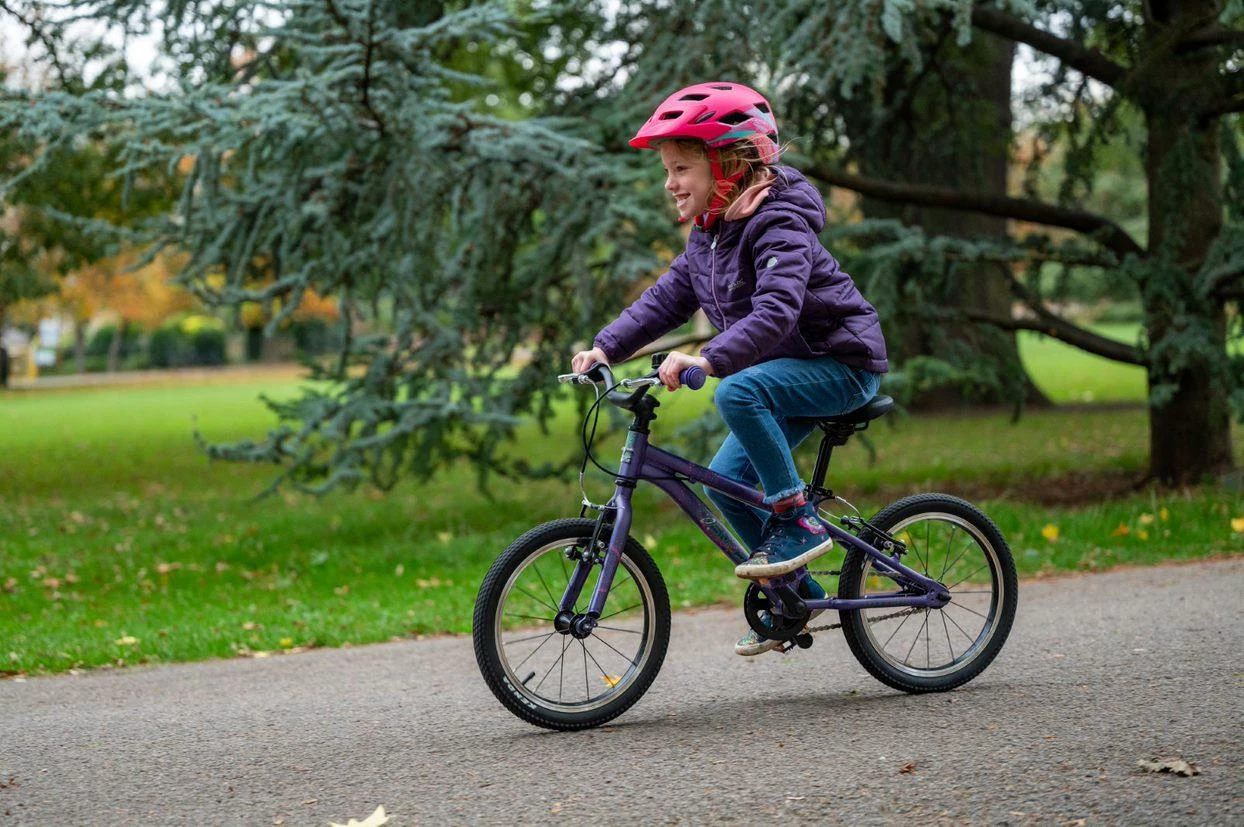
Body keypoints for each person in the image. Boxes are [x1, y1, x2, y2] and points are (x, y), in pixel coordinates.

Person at [570, 81, 888, 656]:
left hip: (841, 364)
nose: (669, 183)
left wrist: (710, 357)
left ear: (731, 164)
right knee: (731, 483)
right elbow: (665, 300)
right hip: (785, 372)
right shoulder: (708, 236)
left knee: (737, 392)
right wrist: (606, 349)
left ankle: (799, 522)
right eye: (667, 170)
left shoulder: (780, 220)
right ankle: (796, 597)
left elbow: (777, 309)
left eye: (681, 168)